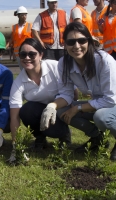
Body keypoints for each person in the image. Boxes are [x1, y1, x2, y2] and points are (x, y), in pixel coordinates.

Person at [40, 22, 116, 161]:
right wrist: (53, 105)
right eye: (71, 42)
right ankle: (97, 138)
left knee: (101, 117)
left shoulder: (104, 61)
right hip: (99, 101)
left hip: (112, 103)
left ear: (89, 41)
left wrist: (78, 108)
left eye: (81, 40)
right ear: (65, 44)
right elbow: (66, 94)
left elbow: (110, 100)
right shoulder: (64, 63)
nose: (76, 46)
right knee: (62, 111)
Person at [8, 38, 71, 162]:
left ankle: (64, 135)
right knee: (26, 110)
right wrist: (16, 147)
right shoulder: (18, 82)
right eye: (23, 54)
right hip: (40, 112)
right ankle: (40, 138)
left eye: (32, 54)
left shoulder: (55, 67)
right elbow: (14, 117)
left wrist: (52, 106)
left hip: (61, 109)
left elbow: (70, 94)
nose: (27, 58)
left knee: (56, 128)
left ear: (41, 55)